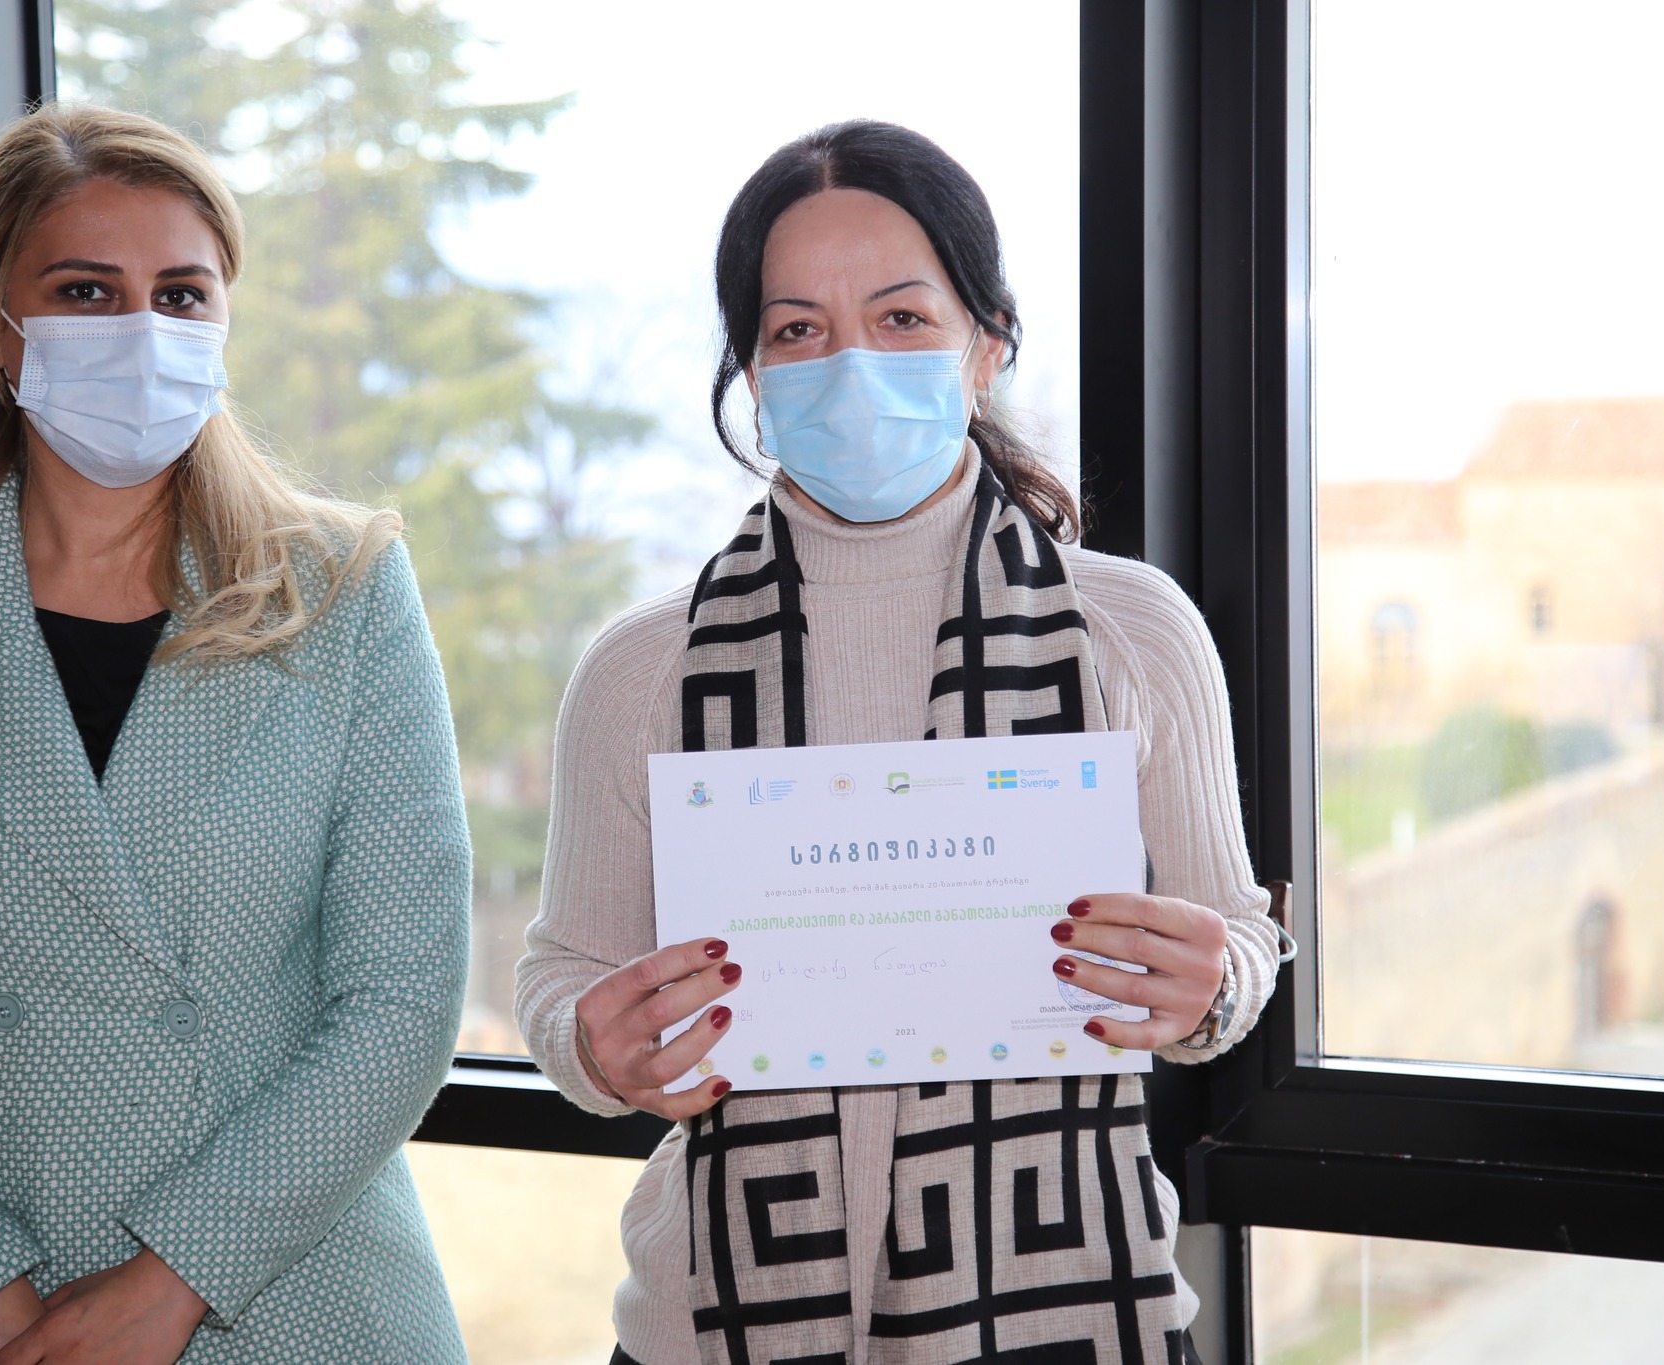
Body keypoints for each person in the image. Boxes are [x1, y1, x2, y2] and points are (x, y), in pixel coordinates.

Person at [516, 120, 1280, 1365]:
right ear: (751, 374)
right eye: (797, 330)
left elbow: (1234, 933)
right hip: (711, 1324)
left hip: (1069, 1312)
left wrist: (1215, 986)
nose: (851, 366)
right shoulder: (641, 668)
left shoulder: (1130, 630)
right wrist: (593, 1049)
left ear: (986, 347)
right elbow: (561, 971)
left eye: (902, 318)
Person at [0, 104, 471, 1364]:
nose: (142, 330)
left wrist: (168, 1284)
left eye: (181, 295)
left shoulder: (341, 589)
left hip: (284, 1296)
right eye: (86, 291)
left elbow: (400, 999)